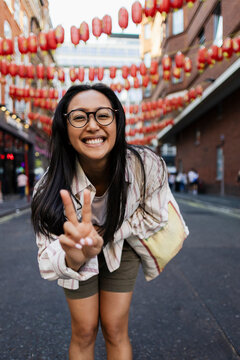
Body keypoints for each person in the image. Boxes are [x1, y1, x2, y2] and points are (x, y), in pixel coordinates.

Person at [31, 83, 189, 360]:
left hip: (124, 244)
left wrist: (106, 232)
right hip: (75, 252)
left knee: (115, 328)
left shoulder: (146, 165)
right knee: (84, 329)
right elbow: (47, 259)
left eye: (103, 115)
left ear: (117, 122)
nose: (93, 125)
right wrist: (73, 257)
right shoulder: (47, 188)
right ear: (65, 131)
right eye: (79, 117)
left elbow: (156, 215)